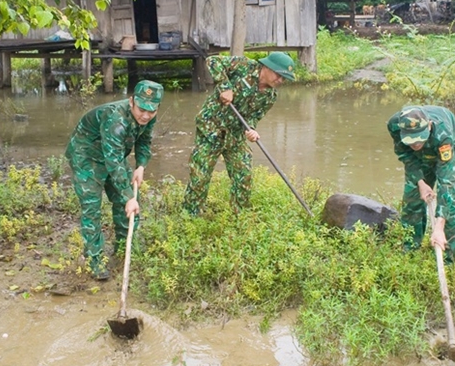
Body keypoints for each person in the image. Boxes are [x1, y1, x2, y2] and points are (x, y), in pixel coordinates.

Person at [65, 80, 164, 280]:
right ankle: (95, 260)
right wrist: (129, 196)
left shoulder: (149, 116)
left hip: (113, 155)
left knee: (125, 205)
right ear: (131, 102)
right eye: (142, 109)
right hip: (86, 155)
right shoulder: (116, 120)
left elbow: (144, 141)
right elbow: (113, 161)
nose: (145, 115)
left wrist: (141, 165)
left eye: (151, 111)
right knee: (92, 207)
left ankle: (123, 249)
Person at [182, 52, 296, 215]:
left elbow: (254, 117)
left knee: (243, 174)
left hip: (235, 135)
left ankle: (239, 217)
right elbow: (212, 61)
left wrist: (251, 130)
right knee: (200, 175)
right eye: (279, 75)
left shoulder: (270, 97)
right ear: (267, 67)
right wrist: (225, 87)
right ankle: (191, 215)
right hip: (211, 128)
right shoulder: (244, 66)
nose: (280, 81)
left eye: (284, 79)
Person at [386, 105, 455, 263]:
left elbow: (447, 182)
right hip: (420, 157)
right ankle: (410, 250)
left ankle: (447, 257)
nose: (416, 144)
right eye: (411, 140)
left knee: (449, 205)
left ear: (429, 126)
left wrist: (438, 226)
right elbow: (406, 155)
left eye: (419, 138)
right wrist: (420, 182)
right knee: (412, 198)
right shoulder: (394, 125)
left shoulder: (443, 135)